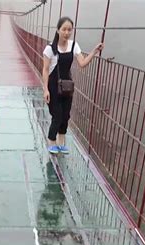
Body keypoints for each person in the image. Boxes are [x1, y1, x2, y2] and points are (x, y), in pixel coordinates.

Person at [42, 17, 104, 154]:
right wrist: (45, 89)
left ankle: (61, 143)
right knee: (57, 115)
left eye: (69, 30)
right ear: (58, 30)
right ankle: (51, 142)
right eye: (64, 29)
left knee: (65, 115)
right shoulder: (49, 48)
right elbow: (45, 70)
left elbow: (82, 63)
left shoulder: (74, 45)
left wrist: (94, 51)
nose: (66, 32)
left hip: (67, 86)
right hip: (53, 86)